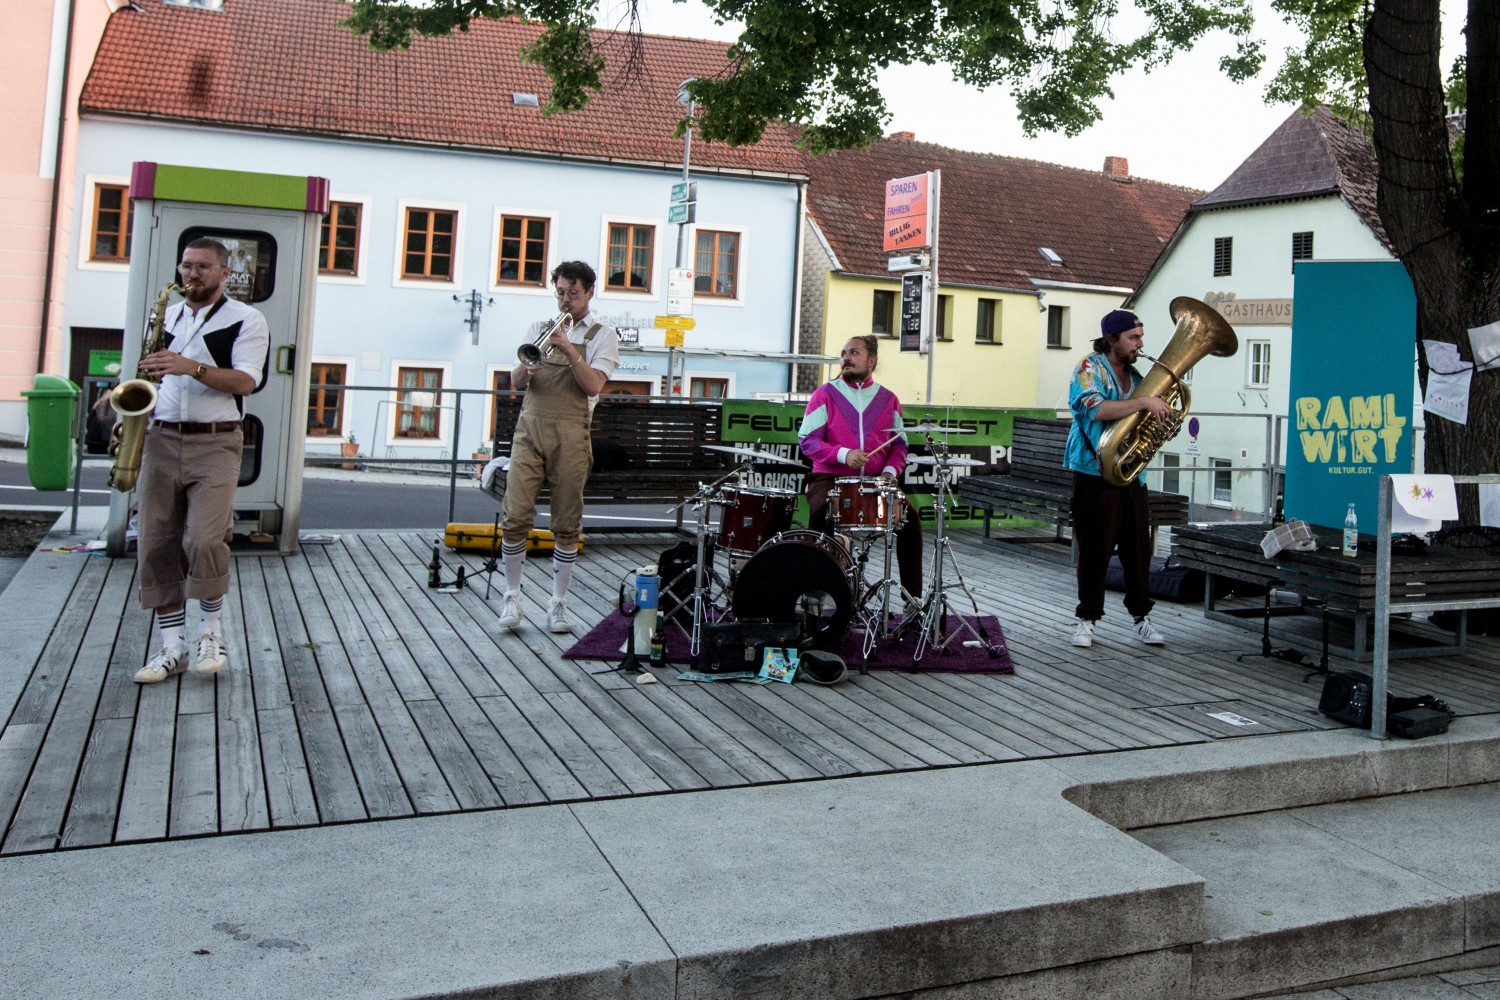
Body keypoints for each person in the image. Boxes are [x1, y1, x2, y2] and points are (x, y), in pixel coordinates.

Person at [133, 237, 269, 682]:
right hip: (161, 436)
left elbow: (246, 382)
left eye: (203, 267)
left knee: (205, 540)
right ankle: (171, 647)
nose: (192, 275)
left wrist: (188, 366)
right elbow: (149, 370)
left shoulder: (247, 319)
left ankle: (210, 632)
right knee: (155, 542)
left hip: (216, 441)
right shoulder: (168, 314)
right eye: (187, 266)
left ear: (224, 273)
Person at [497, 260, 620, 634]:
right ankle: (513, 596)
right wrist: (526, 368)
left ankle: (558, 603)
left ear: (589, 293)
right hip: (530, 430)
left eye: (573, 293)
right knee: (516, 514)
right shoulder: (538, 329)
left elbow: (594, 385)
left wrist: (568, 349)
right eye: (561, 292)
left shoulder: (603, 334)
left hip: (571, 433)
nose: (565, 300)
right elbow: (516, 381)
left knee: (566, 522)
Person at [1065, 308, 1171, 648]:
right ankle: (1087, 619)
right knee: (1095, 549)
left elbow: (1146, 421)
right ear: (1112, 339)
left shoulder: (1140, 378)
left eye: (1140, 337)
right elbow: (1095, 408)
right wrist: (1144, 403)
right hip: (1093, 471)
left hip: (1131, 474)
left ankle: (1142, 617)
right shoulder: (1089, 367)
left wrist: (1161, 421)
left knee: (1138, 550)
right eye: (1134, 338)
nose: (1140, 344)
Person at [798, 335, 923, 607]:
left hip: (878, 481)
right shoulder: (824, 395)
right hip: (830, 476)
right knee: (820, 514)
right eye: (843, 353)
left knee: (911, 521)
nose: (846, 358)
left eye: (854, 353)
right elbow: (807, 440)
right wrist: (844, 454)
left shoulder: (889, 399)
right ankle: (815, 597)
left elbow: (900, 445)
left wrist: (890, 472)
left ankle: (913, 602)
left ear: (872, 360)